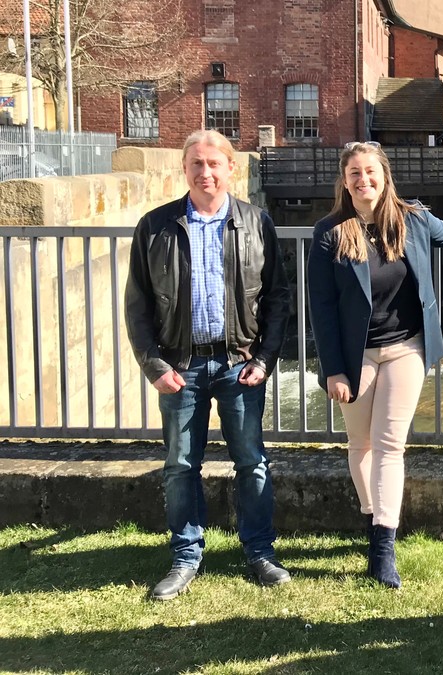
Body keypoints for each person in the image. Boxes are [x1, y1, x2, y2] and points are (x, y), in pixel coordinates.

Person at [306, 141, 443, 588]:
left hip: (406, 347)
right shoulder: (329, 232)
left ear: (384, 175)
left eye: (371, 172)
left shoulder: (412, 218)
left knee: (389, 445)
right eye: (355, 174)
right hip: (354, 354)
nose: (364, 181)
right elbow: (320, 307)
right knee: (359, 444)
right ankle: (373, 515)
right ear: (345, 181)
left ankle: (383, 546)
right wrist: (333, 371)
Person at [125, 129, 292, 601]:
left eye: (214, 163)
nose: (205, 172)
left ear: (230, 169)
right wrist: (153, 364)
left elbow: (277, 298)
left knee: (252, 462)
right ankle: (185, 556)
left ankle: (260, 553)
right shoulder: (155, 226)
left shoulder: (255, 222)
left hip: (239, 364)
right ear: (184, 170)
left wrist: (264, 358)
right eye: (196, 164)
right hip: (181, 366)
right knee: (180, 465)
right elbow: (136, 305)